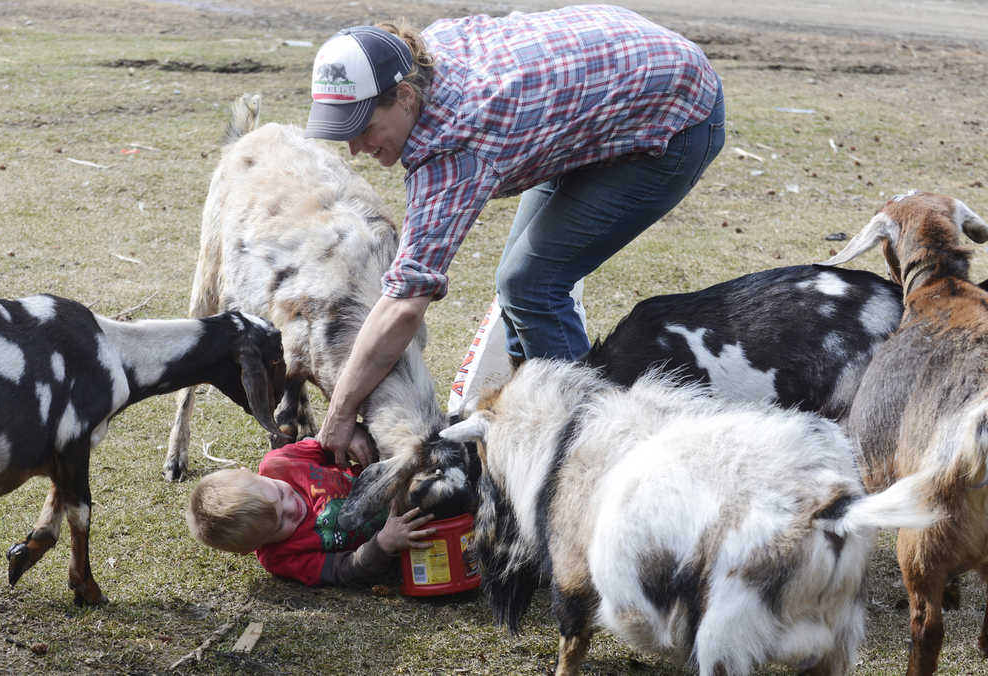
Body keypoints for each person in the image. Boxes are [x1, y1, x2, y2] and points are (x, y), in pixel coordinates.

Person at [306, 4, 726, 465]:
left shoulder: (455, 144)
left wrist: (341, 413)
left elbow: (405, 303)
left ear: (405, 96)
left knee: (531, 286)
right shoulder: (420, 55)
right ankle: (528, 415)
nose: (355, 148)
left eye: (363, 128)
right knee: (520, 284)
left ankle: (594, 449)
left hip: (675, 113)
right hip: (606, 85)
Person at [186, 437, 437, 586]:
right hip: (407, 540)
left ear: (247, 472)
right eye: (281, 524)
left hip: (399, 478)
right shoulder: (280, 559)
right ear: (250, 549)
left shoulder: (280, 462)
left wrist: (353, 436)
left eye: (280, 493)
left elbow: (329, 441)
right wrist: (382, 545)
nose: (292, 508)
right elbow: (344, 570)